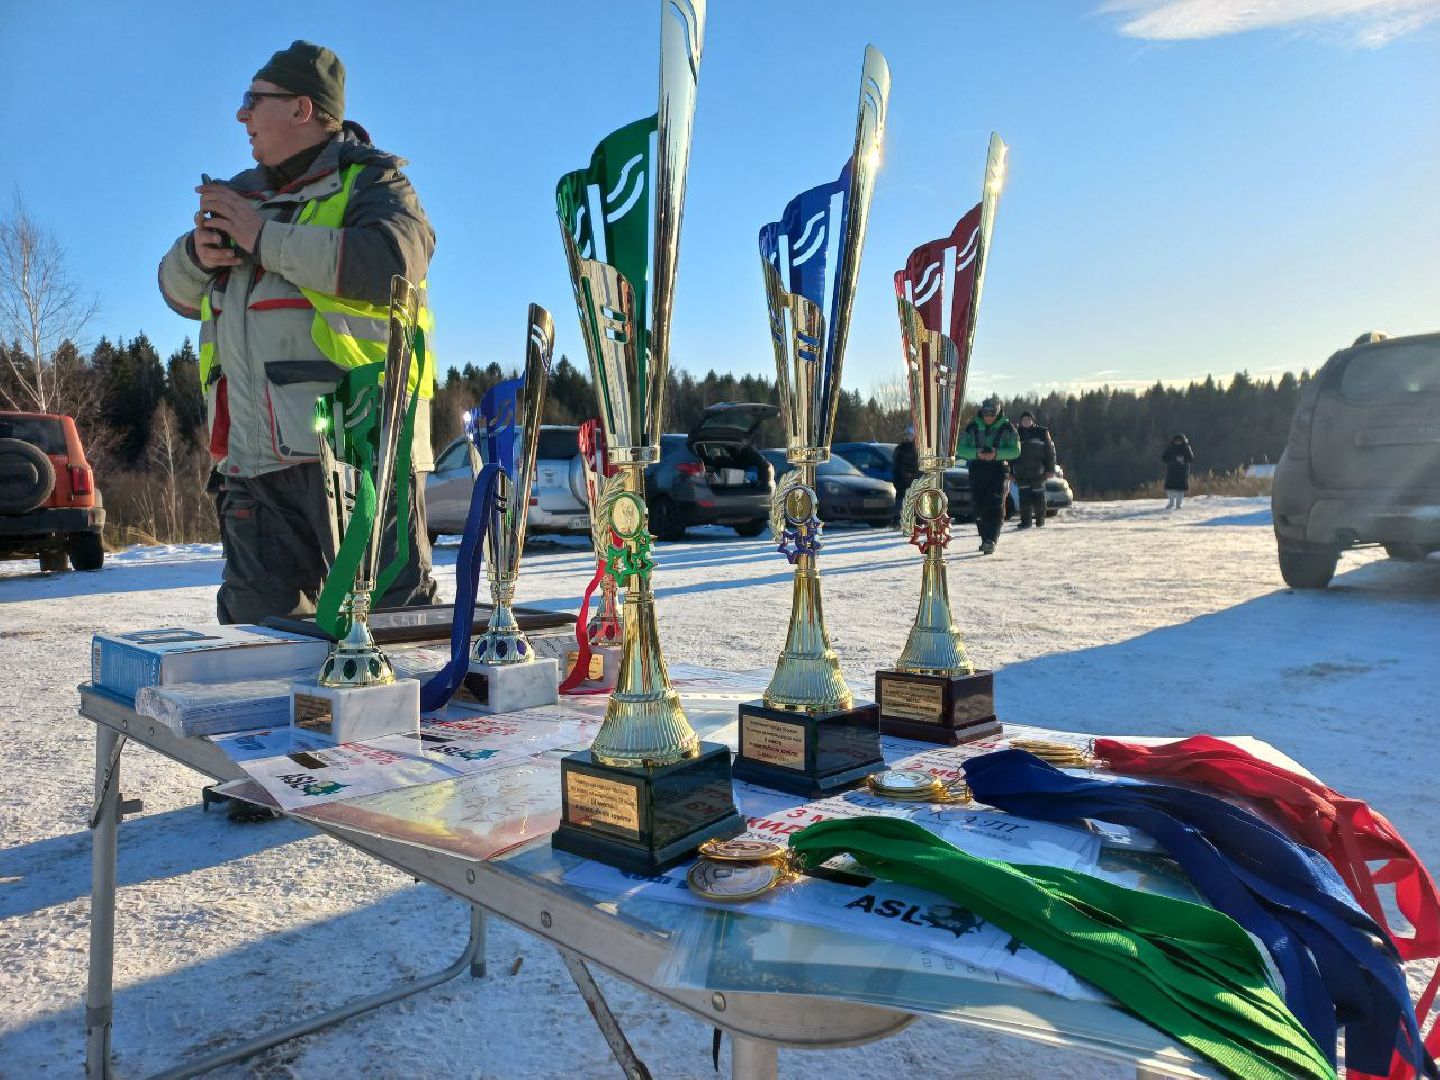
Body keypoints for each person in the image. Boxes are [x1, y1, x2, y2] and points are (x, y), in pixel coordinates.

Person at [158, 41, 439, 625]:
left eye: (252, 101)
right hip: (251, 467)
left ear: (301, 109)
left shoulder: (373, 183)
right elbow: (178, 295)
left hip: (361, 457)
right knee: (257, 649)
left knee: (393, 634)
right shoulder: (240, 196)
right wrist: (196, 254)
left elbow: (392, 263)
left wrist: (264, 238)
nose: (241, 115)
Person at [957, 397, 1019, 554]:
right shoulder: (972, 427)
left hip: (998, 468)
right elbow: (960, 449)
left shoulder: (1007, 427)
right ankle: (985, 538)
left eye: (992, 414)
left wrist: (996, 454)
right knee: (979, 506)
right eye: (986, 414)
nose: (989, 418)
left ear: (997, 413)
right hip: (977, 468)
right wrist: (976, 453)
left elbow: (1016, 450)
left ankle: (991, 539)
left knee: (995, 504)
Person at [1012, 411, 1057, 529]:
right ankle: (1025, 522)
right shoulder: (1015, 433)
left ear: (1033, 421)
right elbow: (1011, 455)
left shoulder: (1042, 432)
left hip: (1039, 471)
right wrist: (1011, 472)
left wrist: (1050, 469)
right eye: (1024, 420)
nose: (1026, 422)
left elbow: (1050, 453)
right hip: (1021, 472)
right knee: (1024, 498)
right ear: (1020, 422)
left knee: (1039, 498)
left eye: (1028, 419)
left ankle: (1040, 521)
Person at [892, 426, 919, 528]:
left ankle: (911, 520)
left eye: (911, 435)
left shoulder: (916, 448)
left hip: (913, 478)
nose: (909, 437)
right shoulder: (901, 448)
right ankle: (898, 521)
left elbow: (917, 465)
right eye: (908, 435)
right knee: (901, 500)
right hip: (902, 480)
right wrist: (904, 475)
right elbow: (898, 465)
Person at [1162, 434, 1195, 509]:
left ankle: (1178, 504)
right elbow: (1164, 458)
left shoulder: (1186, 448)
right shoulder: (1170, 448)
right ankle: (1171, 503)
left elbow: (1191, 458)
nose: (1178, 443)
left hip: (1182, 471)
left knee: (1180, 489)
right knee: (1170, 489)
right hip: (1172, 471)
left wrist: (1183, 460)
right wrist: (1171, 460)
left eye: (1179, 441)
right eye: (1176, 441)